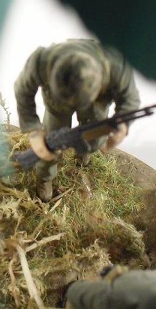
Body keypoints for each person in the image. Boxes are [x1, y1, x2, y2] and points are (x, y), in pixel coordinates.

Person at [14, 39, 141, 201]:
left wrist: (123, 124)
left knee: (95, 137)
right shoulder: (41, 61)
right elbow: (22, 90)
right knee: (48, 145)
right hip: (57, 103)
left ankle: (84, 155)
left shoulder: (117, 66)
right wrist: (33, 130)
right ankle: (45, 178)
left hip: (95, 103)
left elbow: (130, 99)